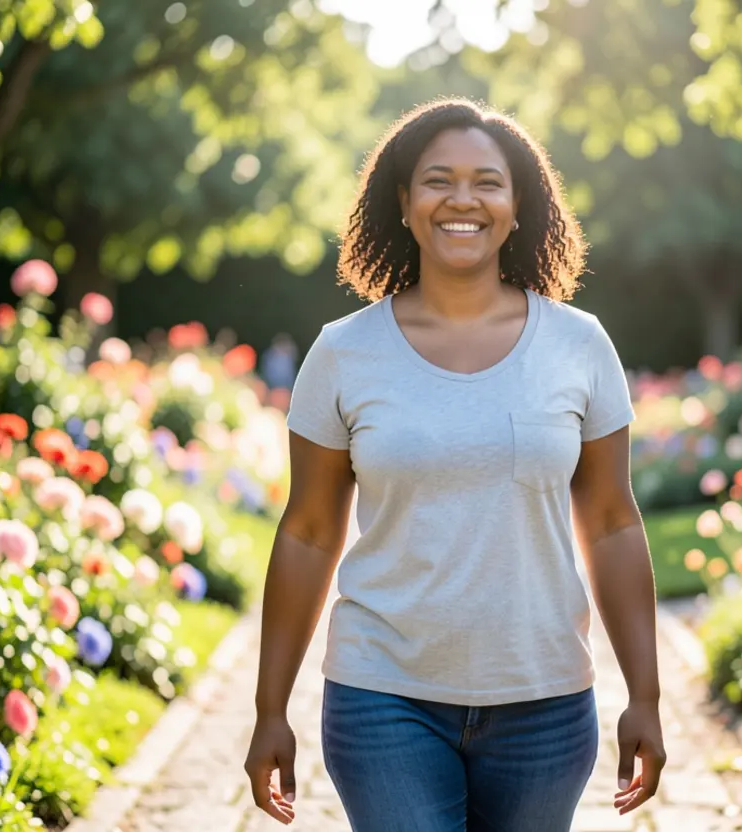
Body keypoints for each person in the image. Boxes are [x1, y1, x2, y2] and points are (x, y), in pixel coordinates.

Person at [243, 98, 664, 831]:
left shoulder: (580, 345)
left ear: (518, 204)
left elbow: (611, 522)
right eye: (437, 180)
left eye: (487, 182)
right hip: (382, 697)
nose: (462, 199)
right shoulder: (343, 352)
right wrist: (269, 709)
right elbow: (308, 531)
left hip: (545, 701)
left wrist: (647, 696)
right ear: (403, 203)